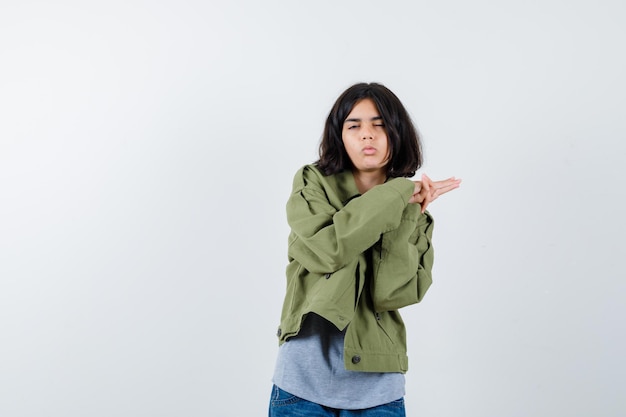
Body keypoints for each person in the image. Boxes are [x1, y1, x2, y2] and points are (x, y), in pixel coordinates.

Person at [269, 82, 461, 416]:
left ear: (397, 134)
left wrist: (406, 214)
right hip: (301, 384)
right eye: (354, 125)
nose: (367, 135)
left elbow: (390, 294)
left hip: (378, 390)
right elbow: (329, 249)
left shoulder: (414, 213)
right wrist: (399, 192)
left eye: (379, 125)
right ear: (339, 135)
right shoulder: (311, 184)